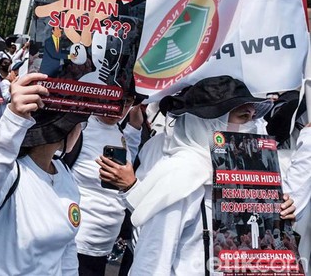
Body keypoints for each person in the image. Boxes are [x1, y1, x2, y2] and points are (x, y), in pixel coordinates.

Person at [98, 76, 296, 275]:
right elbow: (151, 263)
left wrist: (279, 217)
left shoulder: (252, 176)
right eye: (244, 117)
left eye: (253, 118)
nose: (252, 126)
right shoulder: (180, 178)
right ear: (209, 123)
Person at [0, 72, 86, 275]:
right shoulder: (10, 170)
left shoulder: (65, 175)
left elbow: (67, 249)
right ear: (65, 130)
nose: (82, 130)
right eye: (81, 124)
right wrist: (13, 118)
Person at [71, 93, 142, 276]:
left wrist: (135, 129)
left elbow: (128, 162)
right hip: (75, 244)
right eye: (114, 99)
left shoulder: (120, 132)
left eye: (126, 102)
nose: (119, 108)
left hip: (105, 247)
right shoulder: (79, 127)